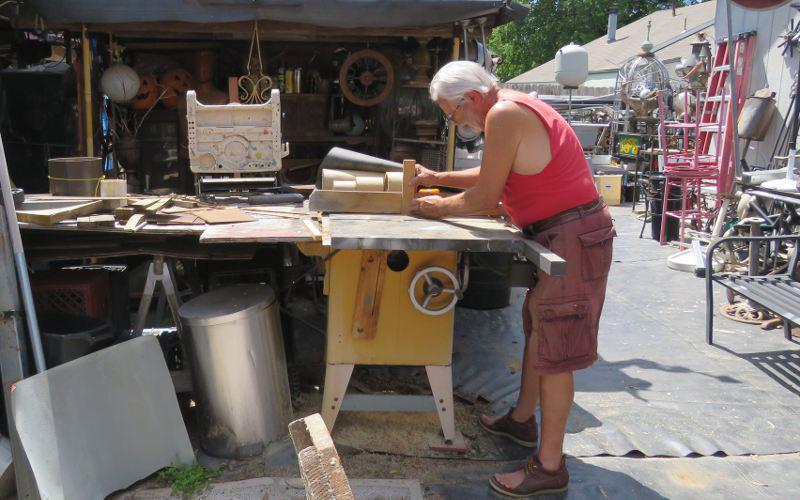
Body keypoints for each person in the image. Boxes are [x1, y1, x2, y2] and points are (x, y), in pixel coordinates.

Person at [410, 61, 615, 497]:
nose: (456, 121)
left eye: (453, 112)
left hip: (574, 234)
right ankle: (522, 421)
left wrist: (432, 208)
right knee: (539, 328)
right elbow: (494, 177)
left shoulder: (503, 114)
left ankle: (549, 468)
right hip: (565, 229)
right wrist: (438, 180)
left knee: (556, 349)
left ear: (473, 97)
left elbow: (485, 197)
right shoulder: (511, 108)